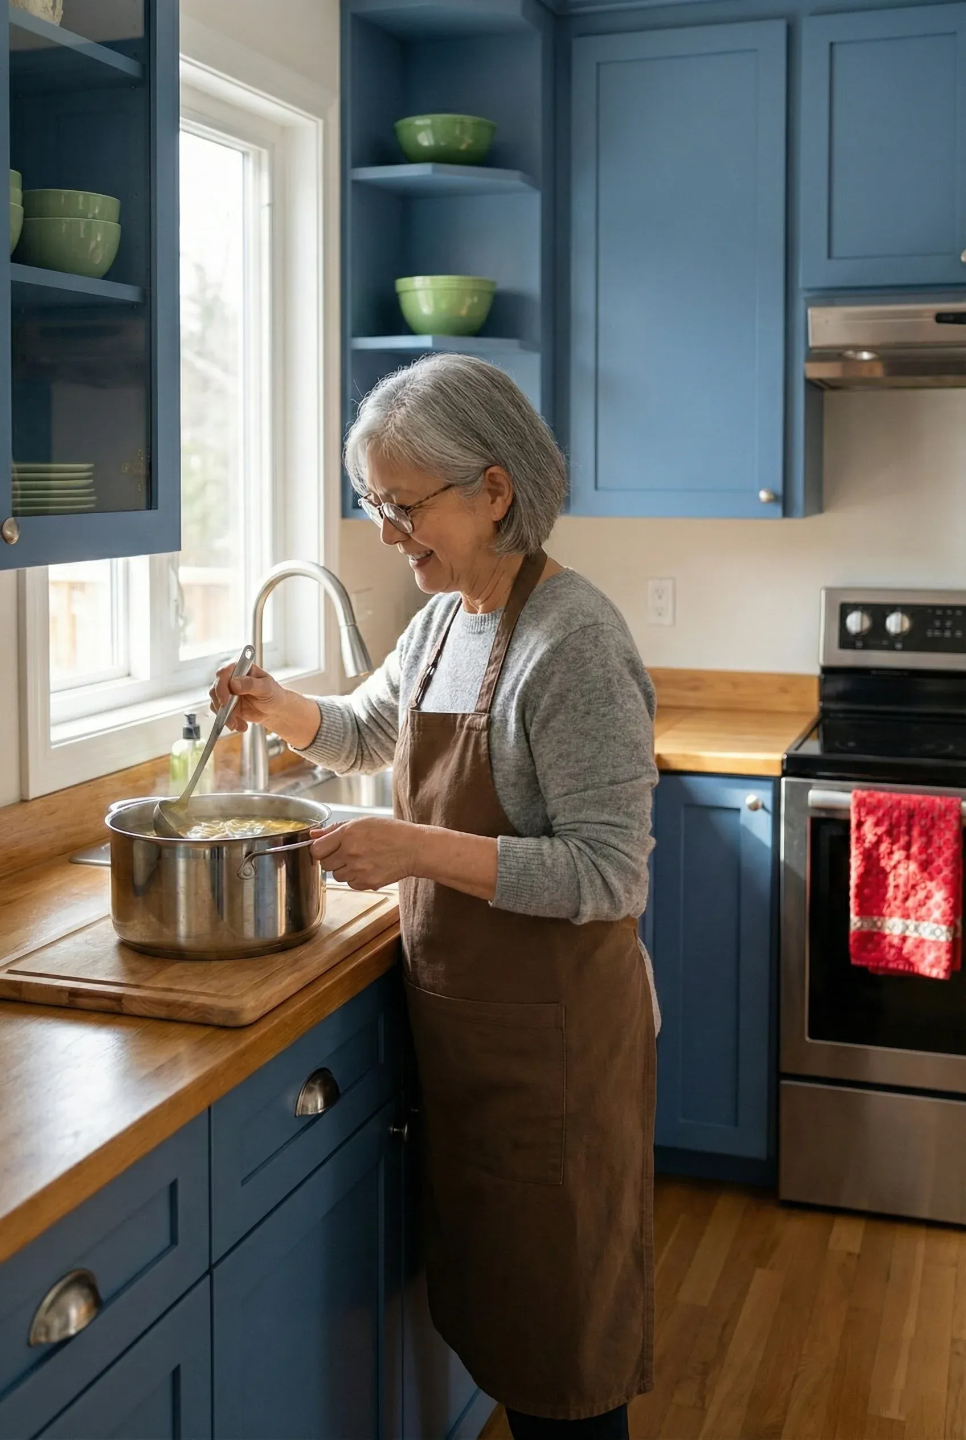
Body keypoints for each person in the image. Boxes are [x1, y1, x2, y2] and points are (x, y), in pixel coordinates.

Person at [211, 354, 659, 1439]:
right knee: (509, 1329)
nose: (387, 531)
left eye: (404, 505)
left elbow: (608, 872)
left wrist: (414, 847)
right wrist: (279, 706)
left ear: (493, 490)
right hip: (474, 1045)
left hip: (554, 1062)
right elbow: (372, 731)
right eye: (376, 504)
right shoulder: (448, 616)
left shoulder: (575, 643)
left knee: (566, 1365)